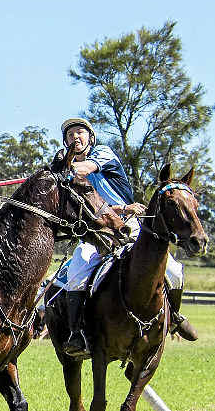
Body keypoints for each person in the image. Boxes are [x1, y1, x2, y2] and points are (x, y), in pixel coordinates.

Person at [58, 117, 196, 359]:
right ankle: (77, 334)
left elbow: (85, 168)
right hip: (94, 231)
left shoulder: (102, 154)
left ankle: (174, 316)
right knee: (77, 271)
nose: (75, 137)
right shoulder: (67, 169)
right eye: (70, 135)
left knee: (173, 270)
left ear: (91, 137)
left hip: (128, 225)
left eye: (80, 132)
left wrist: (60, 172)